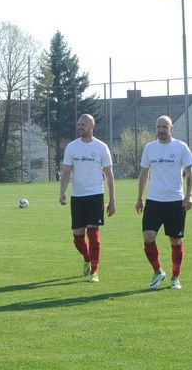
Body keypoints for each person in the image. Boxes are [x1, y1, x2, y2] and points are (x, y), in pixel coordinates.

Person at [136, 115, 192, 290]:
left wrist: (189, 195)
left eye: (164, 127)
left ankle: (175, 277)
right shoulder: (150, 148)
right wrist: (140, 198)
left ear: (171, 129)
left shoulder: (181, 147)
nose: (161, 130)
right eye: (158, 127)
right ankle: (157, 271)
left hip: (175, 202)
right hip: (154, 201)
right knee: (148, 236)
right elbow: (144, 174)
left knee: (175, 241)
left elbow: (190, 174)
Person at [60, 114, 116, 283]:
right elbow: (66, 171)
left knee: (93, 232)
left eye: (83, 124)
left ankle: (94, 270)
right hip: (77, 196)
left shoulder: (101, 147)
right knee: (78, 236)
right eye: (78, 124)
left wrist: (112, 200)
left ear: (92, 125)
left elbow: (109, 175)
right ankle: (87, 257)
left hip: (95, 195)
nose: (80, 126)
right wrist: (62, 191)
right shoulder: (71, 147)